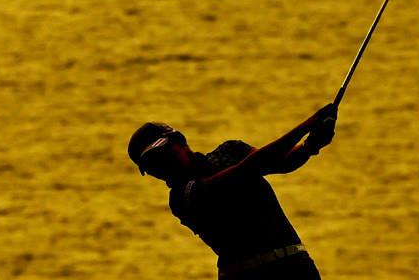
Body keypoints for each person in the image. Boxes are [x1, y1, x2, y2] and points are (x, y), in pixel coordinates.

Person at [128, 103, 338, 279]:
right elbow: (248, 169)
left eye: (160, 159)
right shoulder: (182, 198)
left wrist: (310, 145)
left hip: (298, 268)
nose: (159, 170)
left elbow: (281, 163)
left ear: (179, 142)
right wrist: (307, 125)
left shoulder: (231, 150)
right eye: (151, 168)